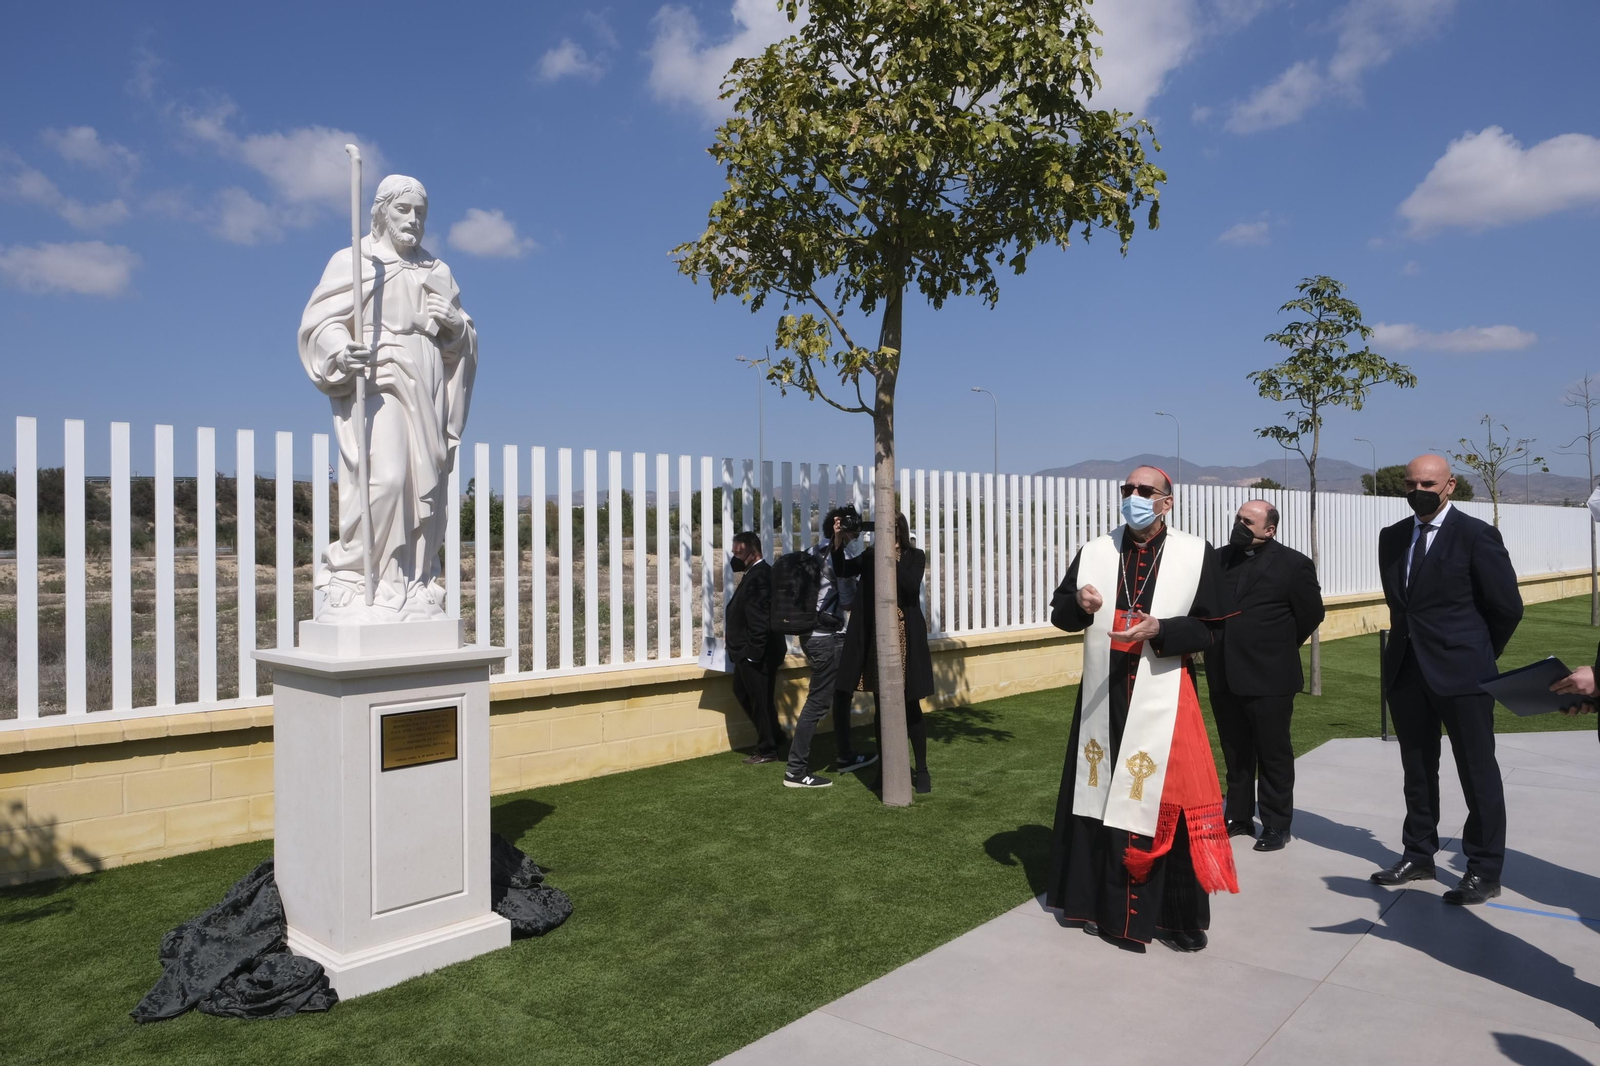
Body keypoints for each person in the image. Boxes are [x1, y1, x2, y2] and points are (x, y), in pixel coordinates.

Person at [1046, 465, 1238, 952]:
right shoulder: (1095, 549)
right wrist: (1080, 605)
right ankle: (1097, 907)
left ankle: (1172, 918)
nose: (1133, 496)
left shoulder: (1196, 553)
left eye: (1144, 490)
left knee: (1162, 797)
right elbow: (1060, 614)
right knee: (1101, 793)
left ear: (1166, 502)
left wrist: (1162, 631)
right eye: (1127, 489)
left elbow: (1213, 630)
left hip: (1163, 692)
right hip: (1104, 692)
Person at [299, 174, 477, 621]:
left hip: (429, 381)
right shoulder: (355, 262)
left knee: (428, 488)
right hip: (381, 378)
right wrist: (342, 349)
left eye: (420, 212)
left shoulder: (437, 271)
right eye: (404, 210)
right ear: (380, 211)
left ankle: (414, 579)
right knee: (388, 479)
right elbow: (322, 323)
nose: (413, 219)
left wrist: (455, 328)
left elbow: (463, 340)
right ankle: (356, 575)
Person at [1371, 454, 1522, 905]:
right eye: (1411, 482)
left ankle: (1484, 869)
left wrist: (1477, 655)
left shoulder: (1477, 535)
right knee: (1416, 771)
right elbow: (1404, 606)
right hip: (1406, 672)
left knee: (1477, 774)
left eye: (1428, 483)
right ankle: (1418, 854)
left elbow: (1507, 608)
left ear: (1450, 486)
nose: (1419, 490)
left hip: (1464, 675)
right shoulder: (1392, 537)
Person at [1204, 500, 1325, 852]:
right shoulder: (1218, 559)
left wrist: (1277, 646)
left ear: (1269, 530)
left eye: (1248, 521)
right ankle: (1238, 816)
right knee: (1235, 749)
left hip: (1270, 675)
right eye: (1238, 518)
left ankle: (1275, 824)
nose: (1239, 524)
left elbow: (1311, 614)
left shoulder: (1294, 564)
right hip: (1223, 671)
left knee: (1273, 752)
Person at [833, 513, 936, 794]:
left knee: (910, 705)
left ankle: (922, 769)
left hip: (905, 639)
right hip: (878, 640)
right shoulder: (870, 556)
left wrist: (889, 557)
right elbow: (842, 569)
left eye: (889, 529)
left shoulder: (915, 555)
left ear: (898, 530)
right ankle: (886, 769)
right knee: (883, 708)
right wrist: (839, 539)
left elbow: (910, 586)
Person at [784, 509, 880, 788]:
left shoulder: (811, 552)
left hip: (809, 634)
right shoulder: (843, 557)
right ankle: (795, 771)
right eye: (852, 525)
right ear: (840, 528)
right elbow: (849, 601)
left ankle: (846, 755)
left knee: (841, 695)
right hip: (828, 637)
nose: (856, 530)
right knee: (818, 703)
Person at [725, 531, 788, 764]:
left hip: (756, 654)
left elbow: (759, 620)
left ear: (753, 553)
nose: (735, 557)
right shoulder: (753, 573)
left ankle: (768, 750)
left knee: (759, 700)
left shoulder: (760, 576)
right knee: (746, 694)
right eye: (734, 552)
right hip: (748, 653)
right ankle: (775, 735)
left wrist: (753, 655)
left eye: (739, 553)